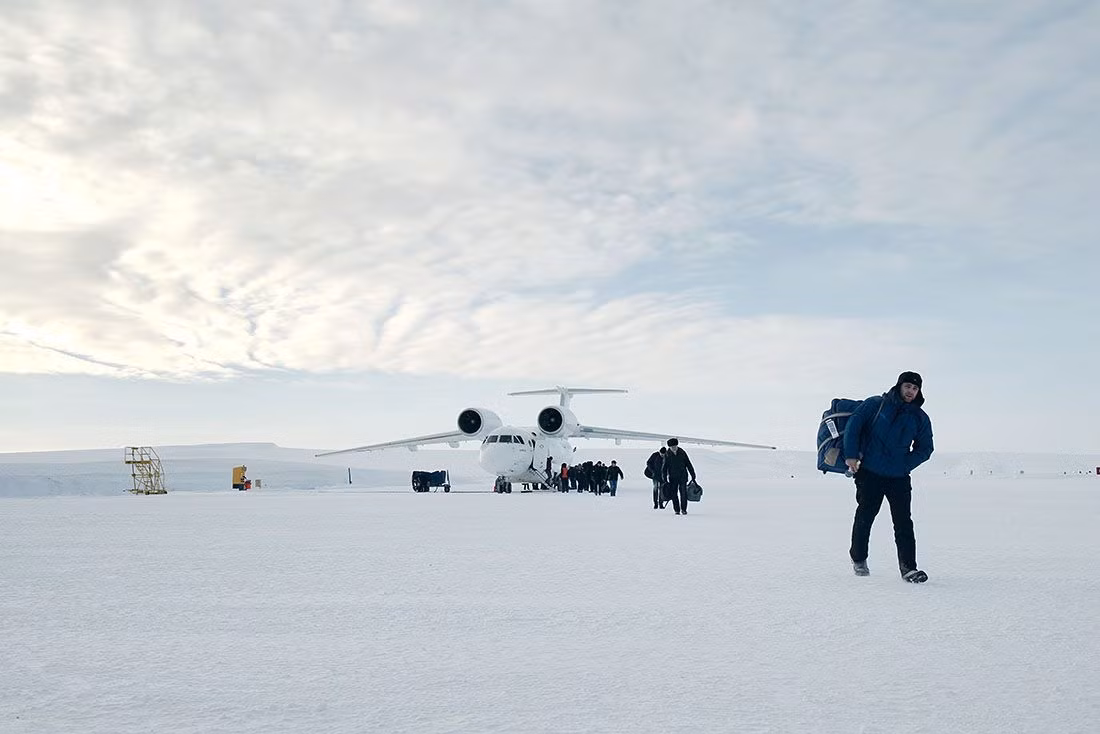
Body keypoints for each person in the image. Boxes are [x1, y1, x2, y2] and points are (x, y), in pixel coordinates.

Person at [844, 371, 934, 583]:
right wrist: (850, 455)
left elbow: (925, 448)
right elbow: (854, 427)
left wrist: (904, 464)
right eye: (907, 387)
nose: (911, 391)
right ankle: (858, 558)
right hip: (870, 473)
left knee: (903, 522)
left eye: (915, 388)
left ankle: (909, 569)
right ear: (899, 386)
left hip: (898, 477)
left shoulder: (920, 418)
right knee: (866, 516)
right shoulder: (876, 404)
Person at [661, 438, 696, 515]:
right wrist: (664, 478)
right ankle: (677, 510)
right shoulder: (667, 454)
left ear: (677, 445)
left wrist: (693, 474)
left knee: (683, 493)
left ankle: (684, 509)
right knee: (674, 494)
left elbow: (688, 464)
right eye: (672, 447)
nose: (674, 448)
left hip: (683, 476)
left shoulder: (682, 452)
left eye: (675, 446)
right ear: (669, 447)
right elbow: (664, 467)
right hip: (673, 478)